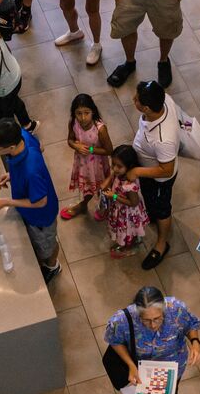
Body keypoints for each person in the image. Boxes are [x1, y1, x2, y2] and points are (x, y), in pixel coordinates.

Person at [0, 118, 62, 284]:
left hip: (40, 217)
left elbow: (41, 202)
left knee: (46, 247)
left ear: (11, 147)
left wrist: (6, 202)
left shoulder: (31, 172)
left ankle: (52, 266)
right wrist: (13, 175)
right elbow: (40, 147)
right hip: (29, 204)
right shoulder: (23, 136)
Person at [125, 80, 179, 270]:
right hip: (148, 171)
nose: (133, 99)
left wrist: (137, 171)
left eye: (137, 99)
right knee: (151, 202)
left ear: (146, 108)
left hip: (159, 180)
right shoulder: (165, 100)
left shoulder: (163, 140)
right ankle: (152, 213)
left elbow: (167, 170)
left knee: (162, 209)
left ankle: (162, 243)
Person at [61, 93, 113, 221]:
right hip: (82, 163)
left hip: (97, 165)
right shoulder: (73, 123)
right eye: (78, 113)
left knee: (103, 186)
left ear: (93, 112)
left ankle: (104, 207)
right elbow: (70, 140)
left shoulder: (100, 129)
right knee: (88, 186)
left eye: (86, 113)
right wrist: (75, 146)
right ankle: (84, 205)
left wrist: (90, 149)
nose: (83, 118)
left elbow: (109, 150)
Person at [101, 147, 150, 258]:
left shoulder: (130, 186)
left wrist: (114, 196)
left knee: (128, 231)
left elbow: (133, 203)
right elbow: (106, 183)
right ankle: (126, 243)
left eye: (119, 166)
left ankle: (130, 247)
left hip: (128, 214)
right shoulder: (119, 175)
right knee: (123, 230)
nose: (114, 168)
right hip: (119, 210)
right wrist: (111, 177)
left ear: (129, 166)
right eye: (113, 164)